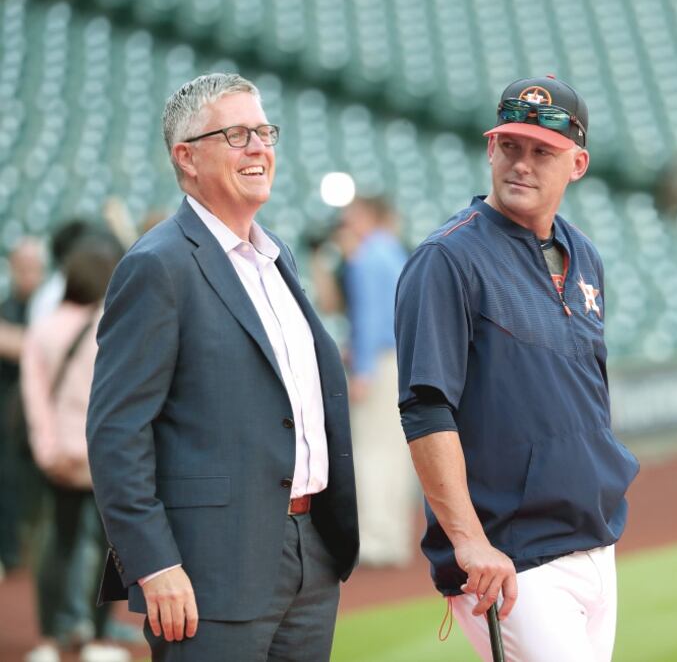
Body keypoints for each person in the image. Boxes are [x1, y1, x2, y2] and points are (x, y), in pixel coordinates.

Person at [86, 73, 359, 661]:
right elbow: (116, 432)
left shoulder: (278, 254)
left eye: (265, 132)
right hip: (207, 567)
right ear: (186, 157)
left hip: (311, 553)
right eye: (237, 135)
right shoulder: (157, 265)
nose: (259, 147)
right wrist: (154, 563)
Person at [395, 75, 639, 661]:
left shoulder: (583, 254)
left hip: (593, 537)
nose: (522, 164)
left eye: (542, 151)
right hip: (510, 557)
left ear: (577, 163)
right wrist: (469, 541)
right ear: (490, 149)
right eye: (510, 146)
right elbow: (426, 408)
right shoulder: (447, 259)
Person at [21, 234, 128, 662]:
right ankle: (98, 639)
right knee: (112, 550)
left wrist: (47, 451)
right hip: (106, 456)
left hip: (61, 457)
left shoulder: (43, 329)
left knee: (58, 545)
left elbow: (35, 399)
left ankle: (49, 639)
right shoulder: (115, 326)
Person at [337, 197, 415, 568]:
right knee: (395, 452)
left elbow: (369, 317)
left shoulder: (367, 256)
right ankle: (393, 536)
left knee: (370, 450)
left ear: (369, 216)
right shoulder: (396, 253)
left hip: (380, 361)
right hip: (403, 360)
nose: (346, 223)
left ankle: (374, 538)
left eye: (352, 216)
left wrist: (362, 370)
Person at [0, 238, 45, 572]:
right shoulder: (7, 305)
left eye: (33, 268)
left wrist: (17, 341)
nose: (27, 275)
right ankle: (11, 551)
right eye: (22, 267)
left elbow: (41, 349)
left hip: (45, 413)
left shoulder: (50, 304)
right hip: (9, 413)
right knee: (8, 478)